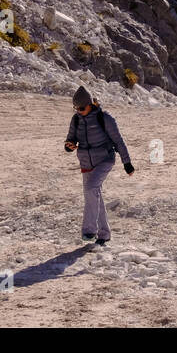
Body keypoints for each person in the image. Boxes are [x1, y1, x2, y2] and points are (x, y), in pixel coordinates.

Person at [64, 85, 133, 245]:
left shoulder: (105, 118)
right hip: (86, 162)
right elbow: (70, 139)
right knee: (95, 195)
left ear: (90, 104)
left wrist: (127, 163)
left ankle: (89, 231)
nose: (79, 111)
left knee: (90, 189)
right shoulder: (76, 120)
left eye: (81, 108)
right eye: (76, 108)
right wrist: (69, 146)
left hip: (104, 160)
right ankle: (104, 234)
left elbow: (118, 141)